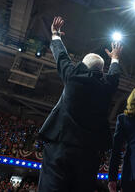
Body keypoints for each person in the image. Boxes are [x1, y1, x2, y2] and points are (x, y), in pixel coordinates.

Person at [38, 16, 123, 191]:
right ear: (101, 71)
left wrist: (56, 35)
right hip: (89, 151)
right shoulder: (107, 88)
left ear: (83, 66)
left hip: (61, 146)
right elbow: (114, 76)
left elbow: (61, 56)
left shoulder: (72, 77)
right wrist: (115, 57)